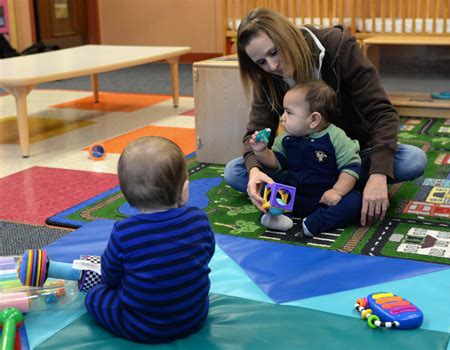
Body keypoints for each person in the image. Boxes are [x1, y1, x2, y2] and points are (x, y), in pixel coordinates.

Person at [224, 8, 427, 227]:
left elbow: (382, 113)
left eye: (274, 52)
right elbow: (254, 131)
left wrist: (378, 174)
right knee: (236, 172)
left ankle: (338, 186)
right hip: (303, 162)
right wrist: (254, 170)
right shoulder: (267, 77)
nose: (273, 66)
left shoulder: (338, 46)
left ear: (288, 36)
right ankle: (344, 189)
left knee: (412, 160)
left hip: (353, 154)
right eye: (261, 62)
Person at [85, 136, 215, 344]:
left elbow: (109, 275)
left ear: (126, 195)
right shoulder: (199, 219)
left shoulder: (124, 232)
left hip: (141, 326)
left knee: (95, 296)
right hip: (194, 316)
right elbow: (206, 255)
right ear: (185, 191)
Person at [251, 80, 361, 235]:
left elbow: (351, 167)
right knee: (270, 178)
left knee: (355, 201)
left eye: (289, 112)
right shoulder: (286, 138)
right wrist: (261, 151)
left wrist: (337, 191)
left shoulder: (336, 137)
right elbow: (276, 163)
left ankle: (316, 223)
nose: (283, 118)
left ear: (314, 120)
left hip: (324, 199)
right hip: (293, 195)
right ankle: (276, 216)